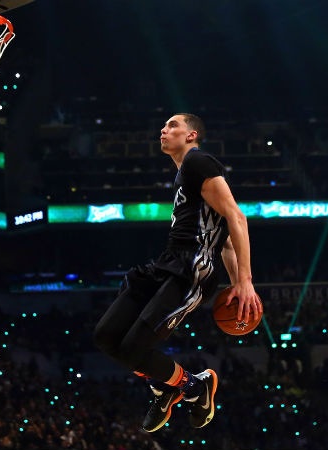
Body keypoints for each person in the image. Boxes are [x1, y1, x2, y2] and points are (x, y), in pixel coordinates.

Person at [93, 113, 262, 432]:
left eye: (172, 125)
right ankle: (170, 386)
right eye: (164, 125)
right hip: (168, 262)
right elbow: (225, 241)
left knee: (132, 350)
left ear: (191, 135)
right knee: (105, 336)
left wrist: (244, 281)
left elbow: (237, 218)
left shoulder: (199, 161)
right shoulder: (185, 172)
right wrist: (234, 280)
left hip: (191, 269)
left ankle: (196, 388)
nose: (163, 129)